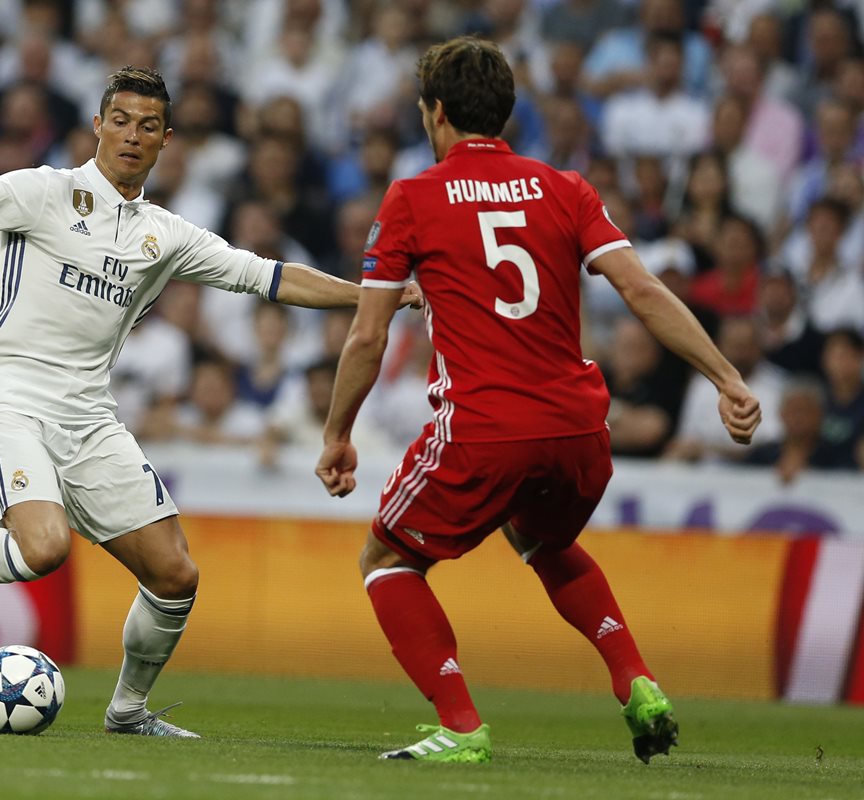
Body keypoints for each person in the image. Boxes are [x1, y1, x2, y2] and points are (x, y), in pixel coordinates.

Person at [0, 66, 418, 739]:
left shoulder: (167, 235)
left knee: (175, 574)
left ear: (166, 144)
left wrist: (379, 295)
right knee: (43, 548)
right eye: (122, 120)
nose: (133, 135)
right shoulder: (41, 193)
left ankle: (128, 712)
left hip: (87, 414)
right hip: (8, 391)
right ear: (98, 125)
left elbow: (271, 278)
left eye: (150, 126)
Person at [314, 37, 761, 765]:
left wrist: (337, 432)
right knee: (541, 537)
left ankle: (460, 726)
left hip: (486, 426)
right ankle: (636, 678)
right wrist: (727, 378)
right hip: (582, 429)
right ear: (507, 113)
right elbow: (643, 291)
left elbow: (368, 336)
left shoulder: (413, 198)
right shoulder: (567, 187)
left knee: (386, 560)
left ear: (435, 114)